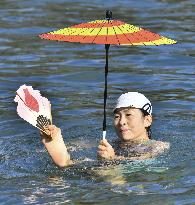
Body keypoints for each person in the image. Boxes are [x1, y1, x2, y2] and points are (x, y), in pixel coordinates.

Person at [40, 92, 169, 168]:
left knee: (108, 170)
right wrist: (59, 142)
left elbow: (142, 163)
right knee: (86, 165)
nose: (122, 121)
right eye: (117, 116)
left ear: (147, 120)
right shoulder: (111, 144)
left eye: (128, 115)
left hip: (134, 185)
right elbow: (82, 145)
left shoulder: (158, 146)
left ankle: (66, 164)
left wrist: (112, 159)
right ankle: (64, 160)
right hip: (104, 177)